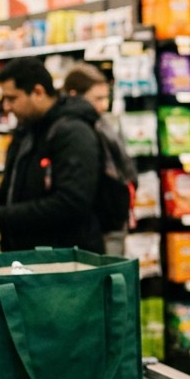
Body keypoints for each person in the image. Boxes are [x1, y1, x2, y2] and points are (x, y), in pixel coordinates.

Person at [0, 56, 104, 252]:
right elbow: (14, 192)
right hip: (28, 258)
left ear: (38, 92)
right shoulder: (27, 130)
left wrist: (3, 217)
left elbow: (71, 202)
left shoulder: (73, 132)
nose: (6, 106)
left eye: (12, 98)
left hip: (64, 263)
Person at [62, 64, 137, 255]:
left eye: (106, 98)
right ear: (73, 94)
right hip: (97, 225)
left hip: (112, 221)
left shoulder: (103, 124)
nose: (104, 105)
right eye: (98, 98)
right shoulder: (75, 131)